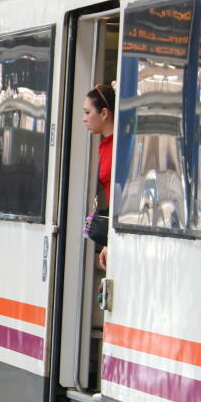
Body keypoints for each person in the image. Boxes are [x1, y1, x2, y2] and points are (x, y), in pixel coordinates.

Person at [82, 82, 115, 270]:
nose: (84, 118)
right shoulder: (105, 146)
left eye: (87, 113)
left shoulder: (116, 146)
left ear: (104, 113)